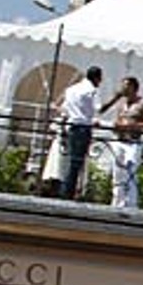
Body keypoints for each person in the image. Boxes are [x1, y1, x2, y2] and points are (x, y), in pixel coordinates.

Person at [101, 76, 143, 210]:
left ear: (134, 88)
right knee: (118, 171)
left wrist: (132, 126)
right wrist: (117, 125)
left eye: (126, 86)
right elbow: (107, 112)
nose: (123, 89)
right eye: (123, 86)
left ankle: (131, 203)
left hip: (133, 141)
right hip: (119, 140)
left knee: (131, 170)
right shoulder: (121, 104)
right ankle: (117, 201)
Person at [58, 66, 103, 200]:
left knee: (72, 160)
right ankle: (68, 192)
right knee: (77, 162)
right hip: (83, 127)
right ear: (96, 78)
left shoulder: (71, 89)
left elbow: (64, 109)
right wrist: (116, 98)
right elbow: (99, 108)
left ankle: (67, 190)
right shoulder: (91, 90)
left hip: (72, 126)